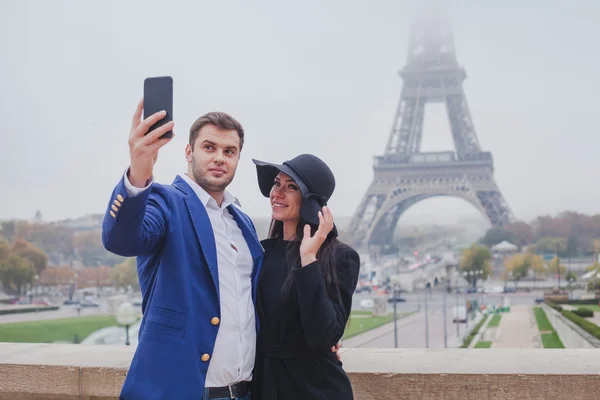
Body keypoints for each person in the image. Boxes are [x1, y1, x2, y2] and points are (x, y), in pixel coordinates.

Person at [102, 100, 262, 400]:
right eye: (209, 147)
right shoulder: (166, 201)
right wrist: (138, 171)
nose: (219, 158)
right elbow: (121, 240)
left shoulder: (243, 223)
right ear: (189, 152)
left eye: (230, 151)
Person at [250, 154, 361, 400]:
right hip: (264, 386)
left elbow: (324, 337)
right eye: (276, 183)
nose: (277, 193)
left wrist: (308, 258)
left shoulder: (340, 258)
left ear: (311, 202)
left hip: (314, 388)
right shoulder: (261, 253)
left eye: (291, 187)